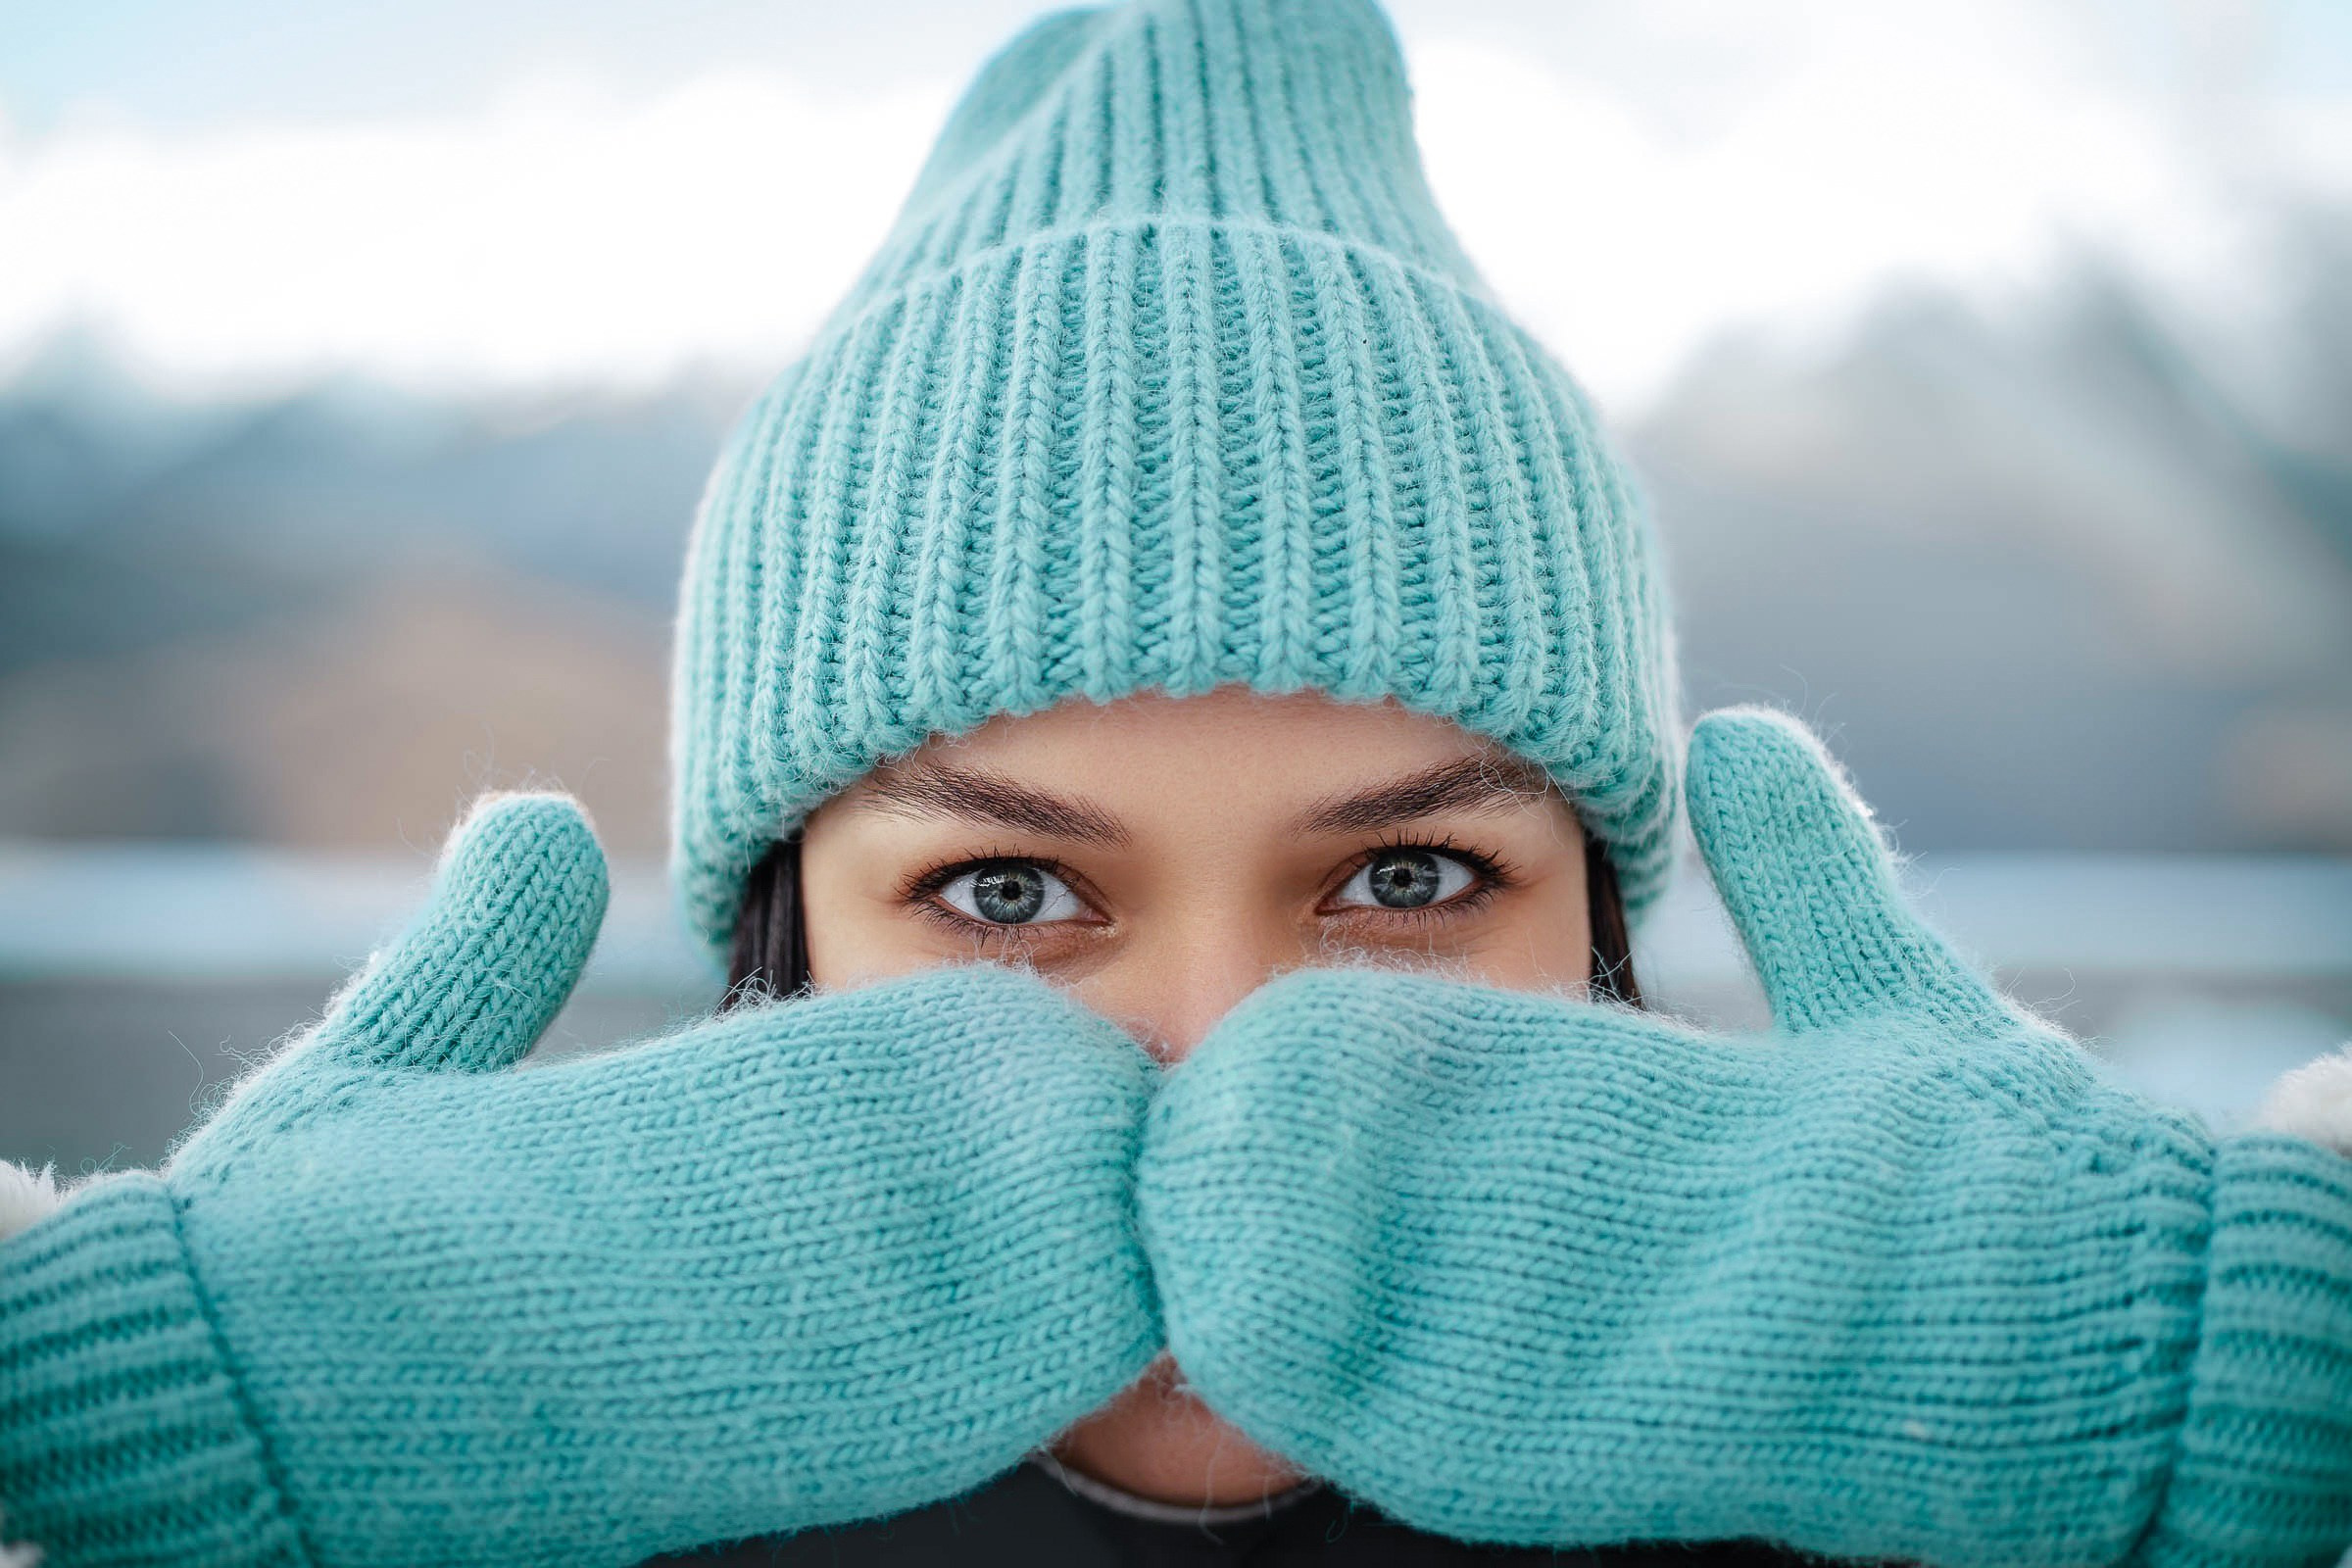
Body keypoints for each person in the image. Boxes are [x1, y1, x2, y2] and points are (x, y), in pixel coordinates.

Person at [4, 0, 2349, 1564]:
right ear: (779, 935)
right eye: (1013, 893)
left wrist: (2237, 1368)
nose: (1231, 1054)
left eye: (1412, 869)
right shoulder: (411, 1463)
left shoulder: (1957, 1443)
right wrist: (127, 1413)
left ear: (1611, 935)